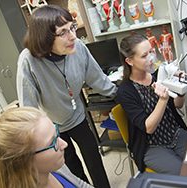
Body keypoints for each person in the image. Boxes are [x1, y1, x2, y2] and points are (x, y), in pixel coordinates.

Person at [16, 5, 116, 188]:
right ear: (45, 38)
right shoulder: (28, 60)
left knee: (93, 158)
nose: (73, 36)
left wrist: (120, 95)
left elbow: (97, 77)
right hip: (52, 124)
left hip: (76, 115)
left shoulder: (77, 47)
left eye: (72, 27)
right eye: (63, 32)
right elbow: (28, 108)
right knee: (70, 165)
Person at [116, 34, 187, 175]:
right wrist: (162, 100)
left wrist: (181, 88)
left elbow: (178, 105)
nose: (151, 58)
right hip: (151, 145)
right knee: (183, 173)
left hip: (174, 133)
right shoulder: (125, 91)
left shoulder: (158, 75)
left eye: (151, 51)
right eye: (144, 55)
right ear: (130, 61)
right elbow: (148, 128)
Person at [0, 106, 93, 188]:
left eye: (57, 135)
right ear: (23, 160)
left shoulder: (54, 167)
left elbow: (80, 184)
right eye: (52, 142)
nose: (64, 144)